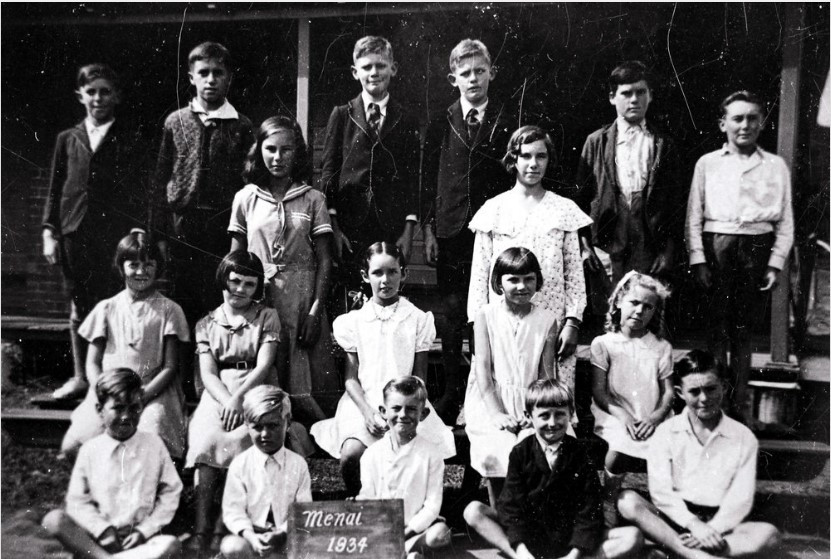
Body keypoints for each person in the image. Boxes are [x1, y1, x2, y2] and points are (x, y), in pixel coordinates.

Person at [185, 251, 310, 556]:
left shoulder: (267, 317)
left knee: (244, 438)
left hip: (257, 387)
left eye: (249, 284)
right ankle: (202, 527)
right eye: (235, 281)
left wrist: (239, 401)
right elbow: (208, 373)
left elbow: (265, 365)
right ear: (223, 280)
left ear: (257, 288)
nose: (240, 289)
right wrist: (227, 401)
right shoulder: (207, 323)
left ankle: (228, 528)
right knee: (206, 440)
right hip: (219, 393)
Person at [311, 242, 455, 495]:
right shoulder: (354, 321)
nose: (385, 280)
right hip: (363, 402)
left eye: (392, 272)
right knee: (351, 455)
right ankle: (363, 505)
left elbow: (419, 377)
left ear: (404, 274)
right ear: (365, 276)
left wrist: (404, 410)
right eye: (377, 273)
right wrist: (367, 413)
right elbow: (351, 379)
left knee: (413, 454)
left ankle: (406, 508)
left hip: (406, 402)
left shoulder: (418, 319)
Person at [685, 90, 794, 421]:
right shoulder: (708, 163)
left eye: (751, 118)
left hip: (756, 249)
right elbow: (694, 216)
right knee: (717, 329)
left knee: (744, 331)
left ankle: (741, 405)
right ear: (723, 124)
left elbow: (786, 222)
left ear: (761, 123)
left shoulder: (775, 166)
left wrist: (775, 263)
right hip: (718, 247)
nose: (744, 125)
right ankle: (714, 403)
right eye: (737, 118)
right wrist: (699, 259)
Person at [42, 63, 149, 401]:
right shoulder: (68, 139)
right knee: (79, 303)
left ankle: (115, 380)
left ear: (115, 96)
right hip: (74, 231)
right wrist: (50, 231)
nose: (98, 98)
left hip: (114, 234)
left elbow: (138, 186)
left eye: (105, 91)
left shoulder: (128, 136)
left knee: (114, 303)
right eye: (91, 92)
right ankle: (80, 378)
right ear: (80, 96)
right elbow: (55, 187)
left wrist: (137, 228)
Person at [421, 38, 515, 422]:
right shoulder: (441, 122)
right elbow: (429, 180)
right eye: (465, 73)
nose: (473, 79)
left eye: (480, 71)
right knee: (453, 312)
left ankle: (486, 393)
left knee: (491, 312)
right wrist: (428, 229)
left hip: (495, 230)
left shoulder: (508, 118)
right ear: (452, 78)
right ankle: (451, 395)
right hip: (452, 230)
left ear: (491, 73)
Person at [618, 350, 780, 558]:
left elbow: (741, 498)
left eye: (711, 389)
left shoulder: (743, 436)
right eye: (694, 391)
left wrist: (711, 529)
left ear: (723, 385)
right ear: (679, 392)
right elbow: (661, 493)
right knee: (627, 501)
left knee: (769, 534)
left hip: (721, 524)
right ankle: (696, 555)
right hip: (673, 519)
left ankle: (672, 550)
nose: (704, 399)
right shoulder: (666, 432)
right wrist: (693, 524)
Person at [229, 115, 338, 424]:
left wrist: (316, 310)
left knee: (306, 383)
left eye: (286, 150)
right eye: (271, 149)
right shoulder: (246, 198)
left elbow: (325, 260)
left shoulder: (313, 199)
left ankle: (310, 430)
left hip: (302, 299)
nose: (278, 158)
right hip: (258, 299)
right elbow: (235, 261)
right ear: (259, 151)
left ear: (297, 153)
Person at [468, 125, 592, 388]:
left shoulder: (563, 209)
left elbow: (574, 273)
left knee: (548, 387)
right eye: (525, 156)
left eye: (541, 156)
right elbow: (479, 276)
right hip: (503, 319)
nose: (533, 164)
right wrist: (479, 325)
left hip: (551, 316)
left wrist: (572, 322)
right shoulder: (494, 209)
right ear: (513, 159)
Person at [464, 379, 642, 559]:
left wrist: (574, 553)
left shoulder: (580, 453)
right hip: (531, 538)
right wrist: (522, 551)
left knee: (632, 537)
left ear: (571, 414)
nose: (552, 423)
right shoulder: (520, 453)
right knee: (474, 511)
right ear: (529, 416)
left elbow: (589, 509)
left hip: (569, 539)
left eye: (559, 414)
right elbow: (510, 507)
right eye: (544, 415)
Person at [60, 232, 189, 460]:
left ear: (158, 267)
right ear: (121, 267)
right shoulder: (107, 308)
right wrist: (104, 390)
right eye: (133, 264)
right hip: (109, 391)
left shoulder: (169, 310)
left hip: (152, 391)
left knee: (149, 440)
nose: (141, 271)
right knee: (75, 443)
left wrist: (143, 395)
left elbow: (170, 366)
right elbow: (92, 361)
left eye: (148, 264)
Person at [154, 41, 255, 328]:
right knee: (183, 300)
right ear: (191, 78)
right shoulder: (176, 122)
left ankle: (212, 369)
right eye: (204, 73)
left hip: (222, 227)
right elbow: (161, 179)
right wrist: (159, 233)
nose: (211, 79)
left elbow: (249, 181)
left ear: (228, 77)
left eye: (218, 73)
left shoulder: (241, 126)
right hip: (182, 228)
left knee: (219, 298)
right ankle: (185, 371)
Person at [319, 35, 421, 302]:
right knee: (351, 295)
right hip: (351, 227)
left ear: (393, 68)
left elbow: (411, 177)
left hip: (391, 224)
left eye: (381, 65)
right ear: (355, 72)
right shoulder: (342, 115)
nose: (374, 73)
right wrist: (334, 227)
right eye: (366, 67)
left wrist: (408, 231)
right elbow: (329, 173)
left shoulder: (405, 117)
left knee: (389, 295)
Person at [42, 369, 183, 559]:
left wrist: (144, 531)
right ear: (100, 410)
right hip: (99, 538)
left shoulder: (154, 445)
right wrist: (103, 529)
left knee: (171, 545)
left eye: (134, 408)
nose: (126, 416)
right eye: (118, 408)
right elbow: (77, 501)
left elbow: (171, 492)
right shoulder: (90, 450)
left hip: (137, 539)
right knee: (54, 520)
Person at [464, 247, 562, 506]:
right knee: (499, 449)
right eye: (513, 279)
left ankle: (534, 518)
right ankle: (502, 517)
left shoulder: (547, 320)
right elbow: (482, 371)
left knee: (543, 449)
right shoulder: (485, 316)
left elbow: (546, 377)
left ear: (537, 281)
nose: (522, 286)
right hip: (491, 401)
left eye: (529, 279)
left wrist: (536, 413)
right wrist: (497, 413)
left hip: (531, 404)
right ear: (499, 282)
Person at [575, 61, 683, 288]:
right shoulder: (596, 142)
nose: (634, 99)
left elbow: (675, 204)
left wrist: (668, 251)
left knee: (643, 300)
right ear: (612, 98)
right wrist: (584, 247)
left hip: (648, 238)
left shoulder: (663, 143)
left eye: (640, 92)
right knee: (609, 305)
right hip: (607, 238)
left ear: (650, 95)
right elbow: (580, 201)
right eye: (626, 93)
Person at [590, 271, 674, 527]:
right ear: (618, 302)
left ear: (655, 312)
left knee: (666, 449)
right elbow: (599, 391)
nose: (639, 310)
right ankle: (608, 499)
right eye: (634, 303)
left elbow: (669, 392)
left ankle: (663, 511)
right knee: (620, 445)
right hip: (615, 410)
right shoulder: (604, 343)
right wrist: (623, 416)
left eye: (648, 306)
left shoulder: (661, 347)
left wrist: (655, 417)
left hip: (651, 412)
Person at [357, 376, 452, 559]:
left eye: (411, 409)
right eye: (396, 408)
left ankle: (404, 551)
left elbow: (432, 506)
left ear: (423, 414)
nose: (403, 415)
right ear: (383, 411)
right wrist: (359, 503)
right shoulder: (371, 454)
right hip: (382, 529)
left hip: (415, 530)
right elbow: (368, 495)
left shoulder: (431, 454)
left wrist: (407, 532)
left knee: (439, 534)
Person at [220, 385, 312, 559]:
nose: (265, 434)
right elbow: (233, 511)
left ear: (288, 423)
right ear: (247, 426)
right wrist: (251, 536)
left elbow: (303, 509)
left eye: (273, 426)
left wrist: (281, 533)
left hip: (285, 536)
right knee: (231, 546)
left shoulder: (298, 465)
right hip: (251, 535)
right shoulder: (240, 465)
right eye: (257, 427)